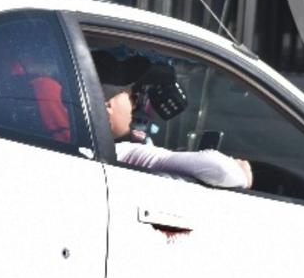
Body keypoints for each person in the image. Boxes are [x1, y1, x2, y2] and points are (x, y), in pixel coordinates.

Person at [95, 53, 252, 189]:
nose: (139, 105)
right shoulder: (123, 153)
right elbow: (221, 170)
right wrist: (243, 173)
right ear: (107, 106)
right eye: (132, 97)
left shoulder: (97, 153)